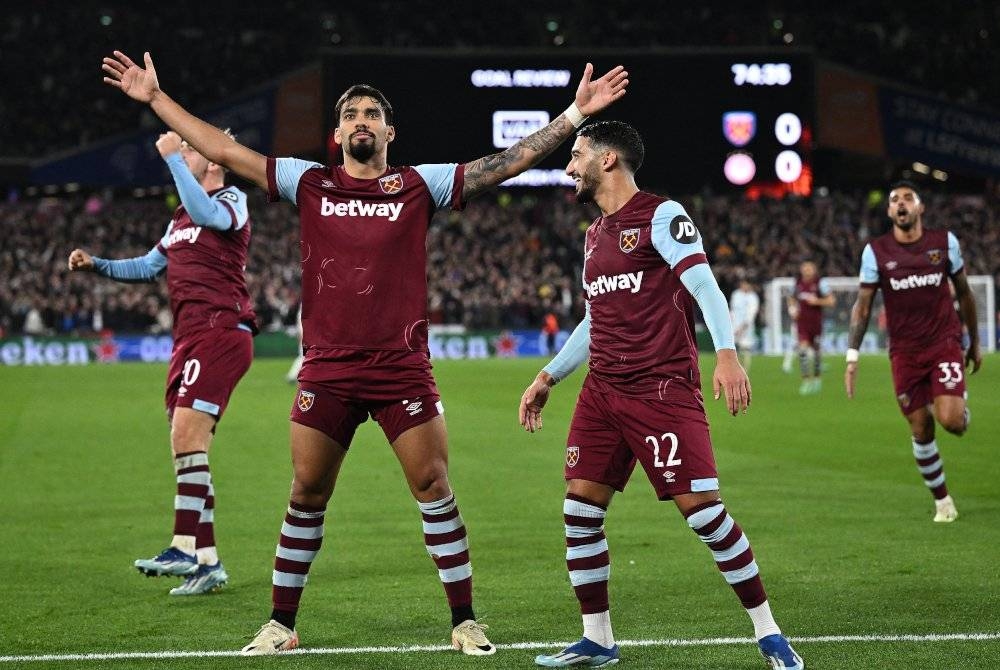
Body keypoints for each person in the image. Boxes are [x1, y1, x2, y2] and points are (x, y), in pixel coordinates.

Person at [102, 49, 628, 655]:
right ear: (337, 132)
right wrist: (155, 99)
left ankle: (464, 621)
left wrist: (571, 115)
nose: (361, 119)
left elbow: (502, 164)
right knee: (305, 495)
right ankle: (280, 624)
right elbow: (221, 151)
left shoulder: (417, 185)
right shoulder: (308, 181)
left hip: (400, 367)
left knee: (434, 487)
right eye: (351, 112)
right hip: (327, 370)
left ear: (388, 131)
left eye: (372, 113)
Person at [518, 121, 802, 670]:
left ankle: (769, 633)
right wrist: (549, 376)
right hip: (603, 390)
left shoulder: (662, 215)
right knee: (579, 509)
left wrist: (725, 354)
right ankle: (597, 639)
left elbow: (703, 285)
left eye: (577, 156)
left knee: (703, 515)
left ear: (609, 160)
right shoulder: (594, 234)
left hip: (661, 388)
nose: (569, 167)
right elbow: (594, 318)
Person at [68, 129, 257, 596]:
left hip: (221, 332)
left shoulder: (233, 201)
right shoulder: (177, 221)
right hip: (188, 340)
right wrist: (98, 264)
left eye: (193, 149)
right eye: (184, 149)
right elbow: (149, 266)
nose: (185, 153)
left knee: (185, 437)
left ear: (213, 158)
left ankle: (183, 545)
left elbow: (206, 211)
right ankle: (208, 563)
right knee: (188, 449)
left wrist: (174, 158)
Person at [845, 180, 981, 523]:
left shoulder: (944, 243)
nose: (901, 203)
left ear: (920, 208)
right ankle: (943, 501)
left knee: (950, 421)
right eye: (895, 200)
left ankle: (957, 408)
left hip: (943, 343)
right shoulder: (875, 252)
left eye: (908, 198)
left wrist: (974, 341)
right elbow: (862, 307)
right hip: (904, 353)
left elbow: (964, 293)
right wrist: (852, 355)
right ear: (890, 211)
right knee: (921, 428)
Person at [787, 261, 833, 394]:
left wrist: (817, 301)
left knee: (817, 353)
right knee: (802, 350)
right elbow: (791, 298)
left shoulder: (820, 283)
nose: (807, 270)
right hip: (802, 323)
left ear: (814, 270)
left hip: (816, 323)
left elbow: (831, 301)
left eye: (810, 268)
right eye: (805, 268)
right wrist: (792, 309)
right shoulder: (797, 284)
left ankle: (817, 379)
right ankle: (806, 381)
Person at [729, 277, 759, 371]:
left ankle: (745, 371)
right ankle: (735, 369)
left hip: (746, 328)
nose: (744, 286)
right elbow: (732, 310)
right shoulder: (736, 294)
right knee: (732, 349)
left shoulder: (753, 297)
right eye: (743, 284)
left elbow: (751, 314)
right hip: (734, 326)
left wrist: (742, 327)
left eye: (746, 284)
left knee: (745, 349)